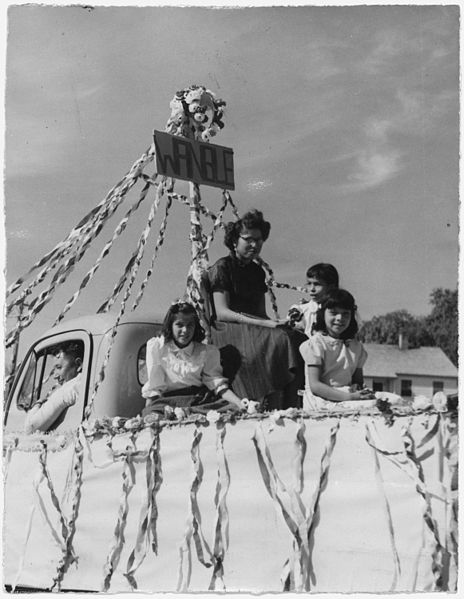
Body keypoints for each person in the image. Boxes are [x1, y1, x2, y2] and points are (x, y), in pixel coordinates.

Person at [207, 209, 305, 409]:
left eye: (259, 240)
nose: (255, 244)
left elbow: (262, 313)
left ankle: (290, 402)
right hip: (227, 329)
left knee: (298, 338)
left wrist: (277, 323)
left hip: (252, 326)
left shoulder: (257, 272)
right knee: (280, 340)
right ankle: (270, 401)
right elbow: (222, 312)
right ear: (234, 240)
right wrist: (264, 324)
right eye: (248, 239)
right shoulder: (222, 267)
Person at [142, 300, 244, 413]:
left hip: (199, 401)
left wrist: (239, 403)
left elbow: (217, 385)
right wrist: (147, 414)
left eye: (190, 325)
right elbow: (154, 388)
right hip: (169, 403)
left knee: (230, 408)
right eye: (179, 325)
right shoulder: (158, 348)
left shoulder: (206, 351)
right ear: (170, 325)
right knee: (151, 414)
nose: (185, 330)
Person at [299, 288, 375, 411]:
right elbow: (315, 386)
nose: (340, 318)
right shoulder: (316, 344)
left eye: (345, 314)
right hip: (321, 401)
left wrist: (360, 391)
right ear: (322, 314)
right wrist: (349, 397)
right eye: (333, 313)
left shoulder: (356, 347)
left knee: (386, 401)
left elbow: (357, 381)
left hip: (348, 398)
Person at [24, 341, 84, 433]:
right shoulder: (84, 383)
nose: (55, 376)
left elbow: (30, 428)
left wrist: (38, 403)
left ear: (79, 364)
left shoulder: (69, 389)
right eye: (54, 369)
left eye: (59, 367)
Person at [287, 263, 339, 337]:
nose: (312, 289)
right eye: (309, 283)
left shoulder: (344, 312)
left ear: (331, 286)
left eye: (317, 284)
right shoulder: (300, 311)